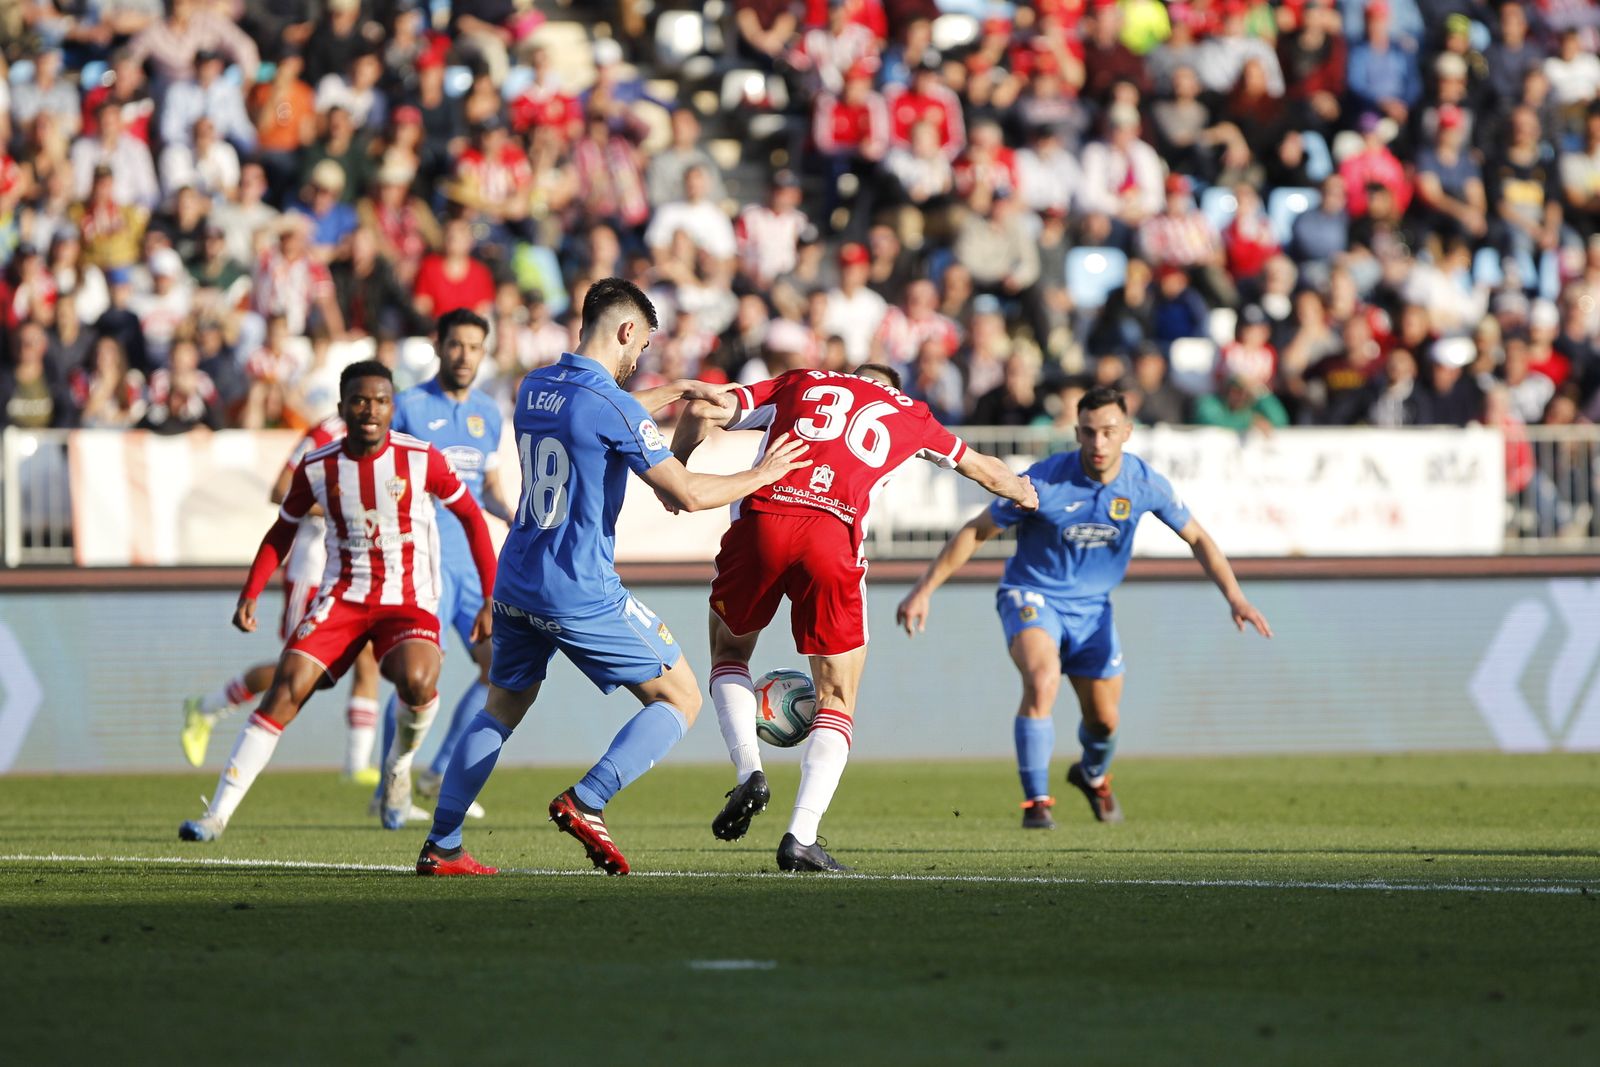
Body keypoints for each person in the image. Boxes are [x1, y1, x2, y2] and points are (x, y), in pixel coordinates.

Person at [414, 278, 811, 877]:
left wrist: (677, 390)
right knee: (680, 697)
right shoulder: (612, 406)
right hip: (577, 586)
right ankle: (588, 799)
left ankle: (442, 843)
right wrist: (763, 474)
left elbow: (601, 411)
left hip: (516, 579)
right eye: (641, 346)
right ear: (627, 330)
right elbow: (685, 492)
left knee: (501, 705)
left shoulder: (534, 387)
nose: (638, 359)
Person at [669, 363, 1038, 871]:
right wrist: (1024, 491)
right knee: (836, 696)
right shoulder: (910, 413)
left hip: (763, 521)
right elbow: (984, 470)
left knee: (729, 653)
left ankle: (749, 770)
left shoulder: (803, 381)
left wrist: (676, 467)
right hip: (832, 535)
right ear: (892, 390)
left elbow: (702, 408)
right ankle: (801, 836)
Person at [896, 386, 1271, 829]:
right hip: (1032, 594)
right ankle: (1037, 803)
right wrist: (924, 589)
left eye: (1108, 431)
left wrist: (1235, 597)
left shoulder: (1145, 484)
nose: (1098, 442)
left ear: (1127, 432)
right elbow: (978, 530)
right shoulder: (1044, 480)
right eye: (1089, 432)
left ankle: (1092, 775)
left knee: (1105, 721)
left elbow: (1198, 539)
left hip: (1094, 611)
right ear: (1076, 433)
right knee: (1042, 679)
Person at [177, 360, 498, 842]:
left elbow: (473, 519)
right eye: (360, 401)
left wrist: (490, 596)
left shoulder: (421, 458)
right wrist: (251, 590)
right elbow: (282, 529)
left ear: (392, 407)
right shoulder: (319, 466)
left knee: (418, 679)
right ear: (342, 406)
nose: (371, 410)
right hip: (343, 598)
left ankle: (397, 772)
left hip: (407, 600)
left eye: (381, 401)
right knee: (287, 687)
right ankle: (216, 815)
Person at [179, 412, 385, 790]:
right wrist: (341, 511)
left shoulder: (384, 436)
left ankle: (357, 764)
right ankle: (207, 707)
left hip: (352, 571)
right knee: (296, 672)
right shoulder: (324, 433)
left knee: (367, 657)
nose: (374, 408)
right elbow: (280, 491)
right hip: (312, 568)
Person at [372, 308, 513, 822]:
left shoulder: (488, 414)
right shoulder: (408, 407)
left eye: (474, 347)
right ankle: (391, 787)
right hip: (423, 565)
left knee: (500, 670)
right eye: (455, 345)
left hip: (474, 565)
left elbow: (487, 487)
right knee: (417, 678)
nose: (464, 355)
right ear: (438, 346)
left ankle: (439, 773)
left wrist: (512, 514)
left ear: (483, 353)